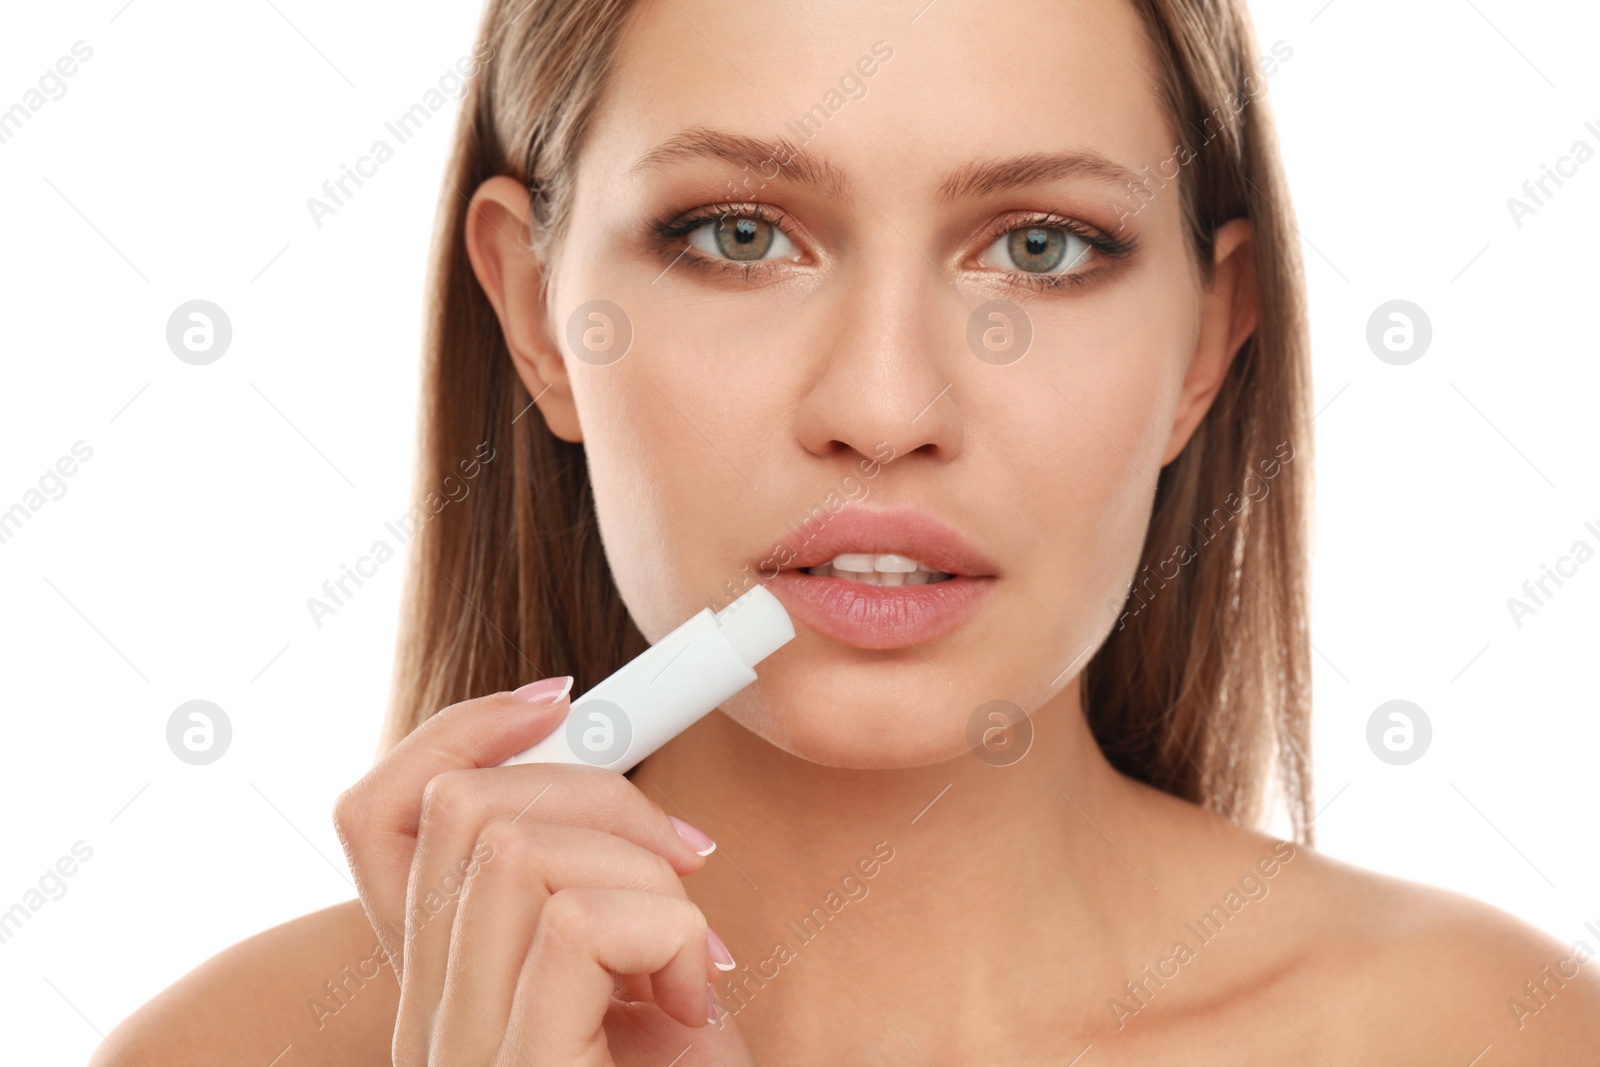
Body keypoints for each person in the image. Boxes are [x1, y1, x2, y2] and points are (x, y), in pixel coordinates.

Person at [94, 0, 1599, 1061]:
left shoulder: (1489, 1042)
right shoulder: (227, 1056)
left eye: (1039, 246)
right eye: (739, 235)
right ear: (538, 316)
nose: (886, 407)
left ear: (1207, 346)